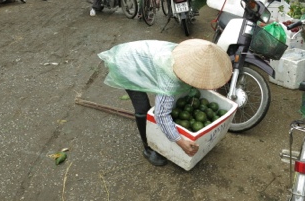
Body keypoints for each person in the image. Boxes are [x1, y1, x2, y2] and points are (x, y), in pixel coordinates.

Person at [97, 39, 232, 166]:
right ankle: (148, 148)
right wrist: (181, 142)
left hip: (141, 55)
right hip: (125, 64)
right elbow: (161, 115)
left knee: (162, 100)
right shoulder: (170, 79)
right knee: (143, 107)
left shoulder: (188, 55)